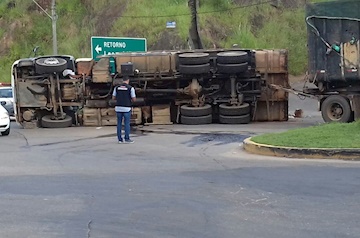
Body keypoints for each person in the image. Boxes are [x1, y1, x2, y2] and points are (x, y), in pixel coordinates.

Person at [112, 76, 136, 144]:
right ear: (128, 80)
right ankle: (127, 139)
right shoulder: (130, 88)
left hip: (118, 108)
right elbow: (134, 99)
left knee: (119, 124)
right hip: (127, 108)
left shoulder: (116, 88)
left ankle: (120, 139)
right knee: (126, 124)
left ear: (122, 80)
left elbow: (113, 98)